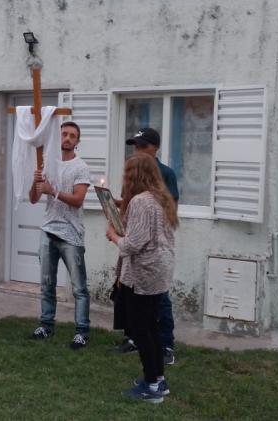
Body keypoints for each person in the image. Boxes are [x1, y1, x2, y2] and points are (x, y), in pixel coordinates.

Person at [106, 153, 177, 404]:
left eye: (126, 174)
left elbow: (132, 245)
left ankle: (153, 386)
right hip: (159, 271)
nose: (124, 179)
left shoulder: (140, 202)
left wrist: (113, 235)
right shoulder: (160, 198)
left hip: (143, 274)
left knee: (142, 330)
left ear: (133, 175)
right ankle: (158, 379)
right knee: (152, 328)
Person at [115, 127, 179, 364]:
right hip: (136, 246)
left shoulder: (165, 174)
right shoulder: (134, 174)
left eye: (143, 146)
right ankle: (135, 338)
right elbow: (133, 206)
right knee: (131, 298)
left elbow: (168, 211)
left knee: (158, 301)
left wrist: (116, 236)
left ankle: (166, 345)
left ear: (155, 148)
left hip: (150, 254)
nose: (138, 151)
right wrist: (117, 205)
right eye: (135, 146)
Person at [29, 121, 92, 350]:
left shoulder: (81, 167)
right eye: (64, 134)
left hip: (71, 234)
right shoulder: (47, 165)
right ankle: (46, 325)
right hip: (48, 229)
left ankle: (82, 331)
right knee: (46, 283)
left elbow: (78, 200)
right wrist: (36, 182)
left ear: (77, 141)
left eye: (72, 135)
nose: (67, 138)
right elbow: (34, 198)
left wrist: (53, 190)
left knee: (78, 287)